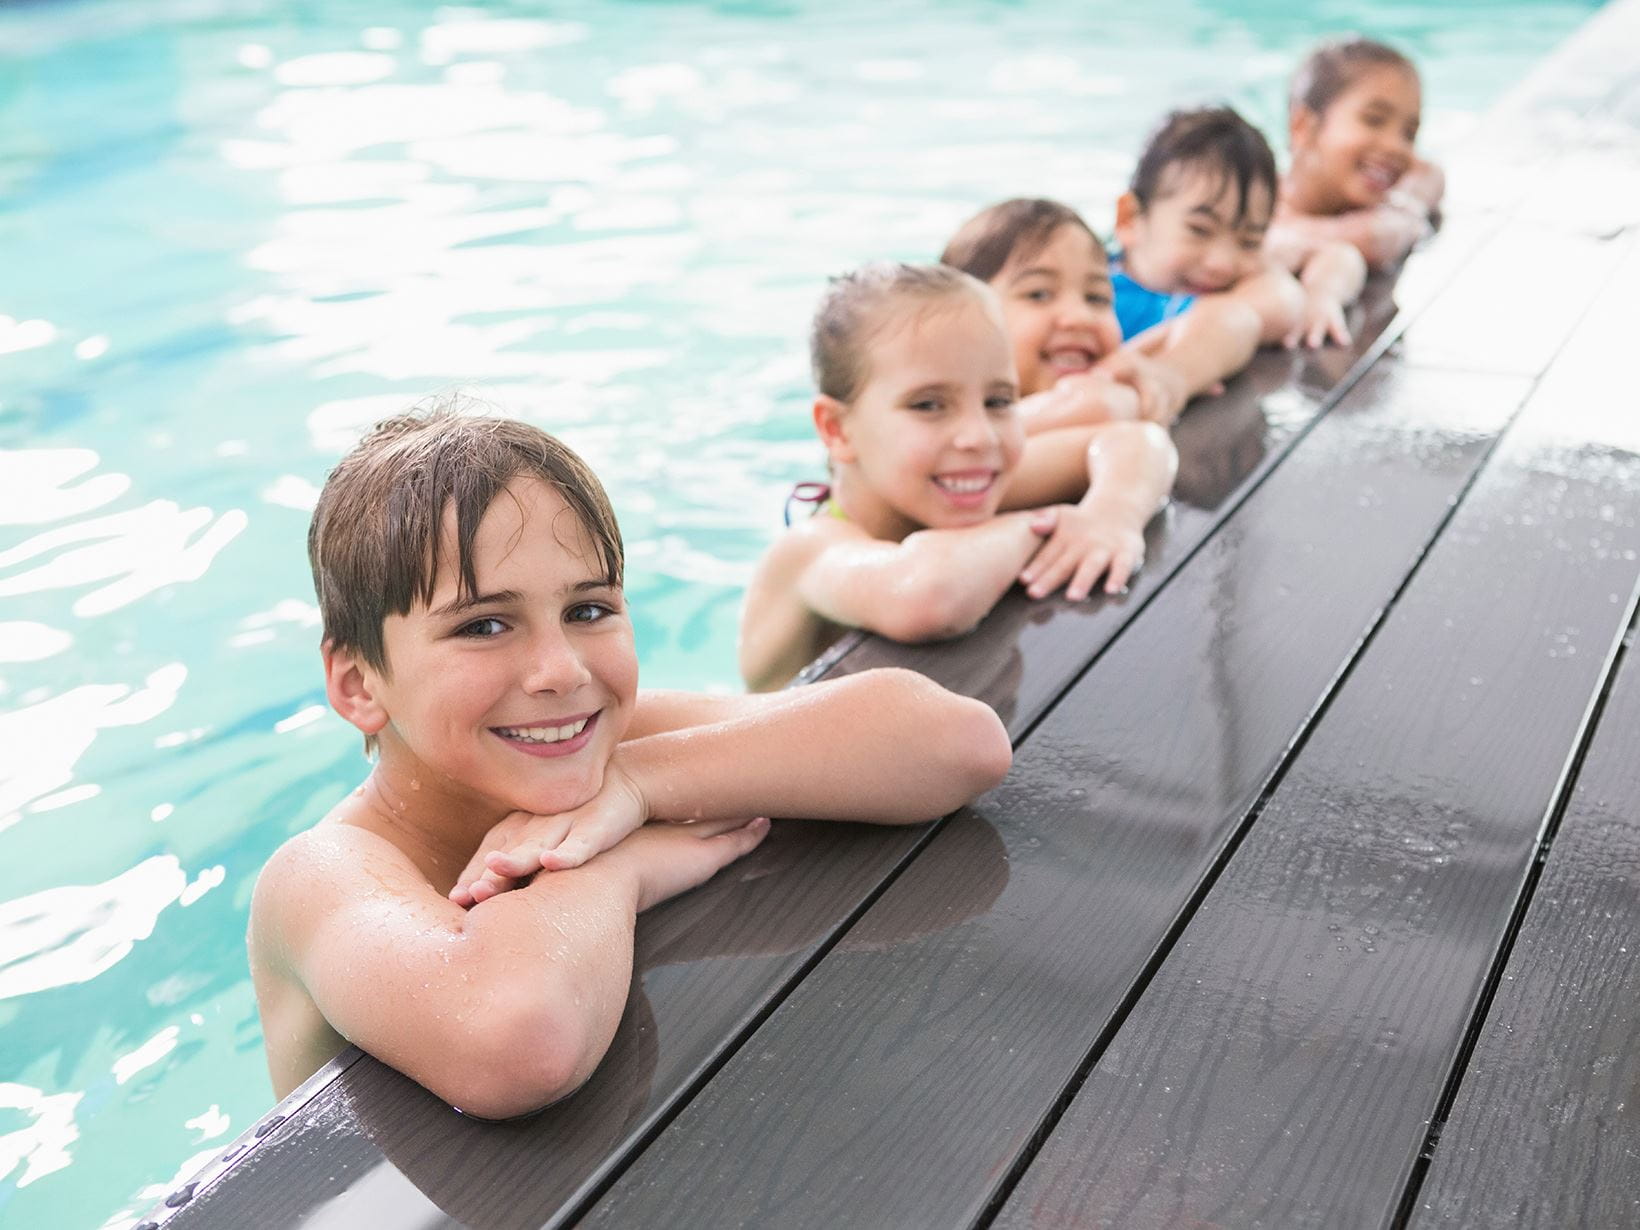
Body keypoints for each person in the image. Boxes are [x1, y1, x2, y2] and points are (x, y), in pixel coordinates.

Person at [249, 409, 1012, 1118]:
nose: (561, 670)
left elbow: (956, 742)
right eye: (484, 625)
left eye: (588, 610)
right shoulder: (321, 872)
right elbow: (519, 1042)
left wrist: (642, 784)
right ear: (359, 685)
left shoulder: (601, 737)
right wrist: (617, 866)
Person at [738, 264, 1177, 692]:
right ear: (836, 429)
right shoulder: (806, 553)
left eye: (999, 400)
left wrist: (1109, 517)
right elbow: (928, 596)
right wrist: (1046, 525)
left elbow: (1134, 440)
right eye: (928, 405)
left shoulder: (958, 481)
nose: (978, 436)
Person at [942, 197, 1263, 432]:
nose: (1080, 316)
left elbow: (1236, 318)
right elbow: (1098, 407)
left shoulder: (1119, 371)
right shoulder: (942, 432)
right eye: (1038, 294)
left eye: (1097, 297)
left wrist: (1172, 377)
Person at [1112, 106, 1367, 352]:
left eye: (1249, 240)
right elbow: (1280, 305)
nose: (1222, 263)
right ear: (1130, 219)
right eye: (1199, 230)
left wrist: (1322, 294)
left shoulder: (1235, 273)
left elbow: (1339, 254)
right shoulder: (1102, 304)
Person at [1269, 36, 1444, 273]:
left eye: (1409, 133)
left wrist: (1406, 208)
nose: (1396, 147)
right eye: (1374, 120)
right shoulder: (1256, 212)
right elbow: (1375, 238)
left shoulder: (1387, 195)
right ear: (1303, 127)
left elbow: (1430, 173)